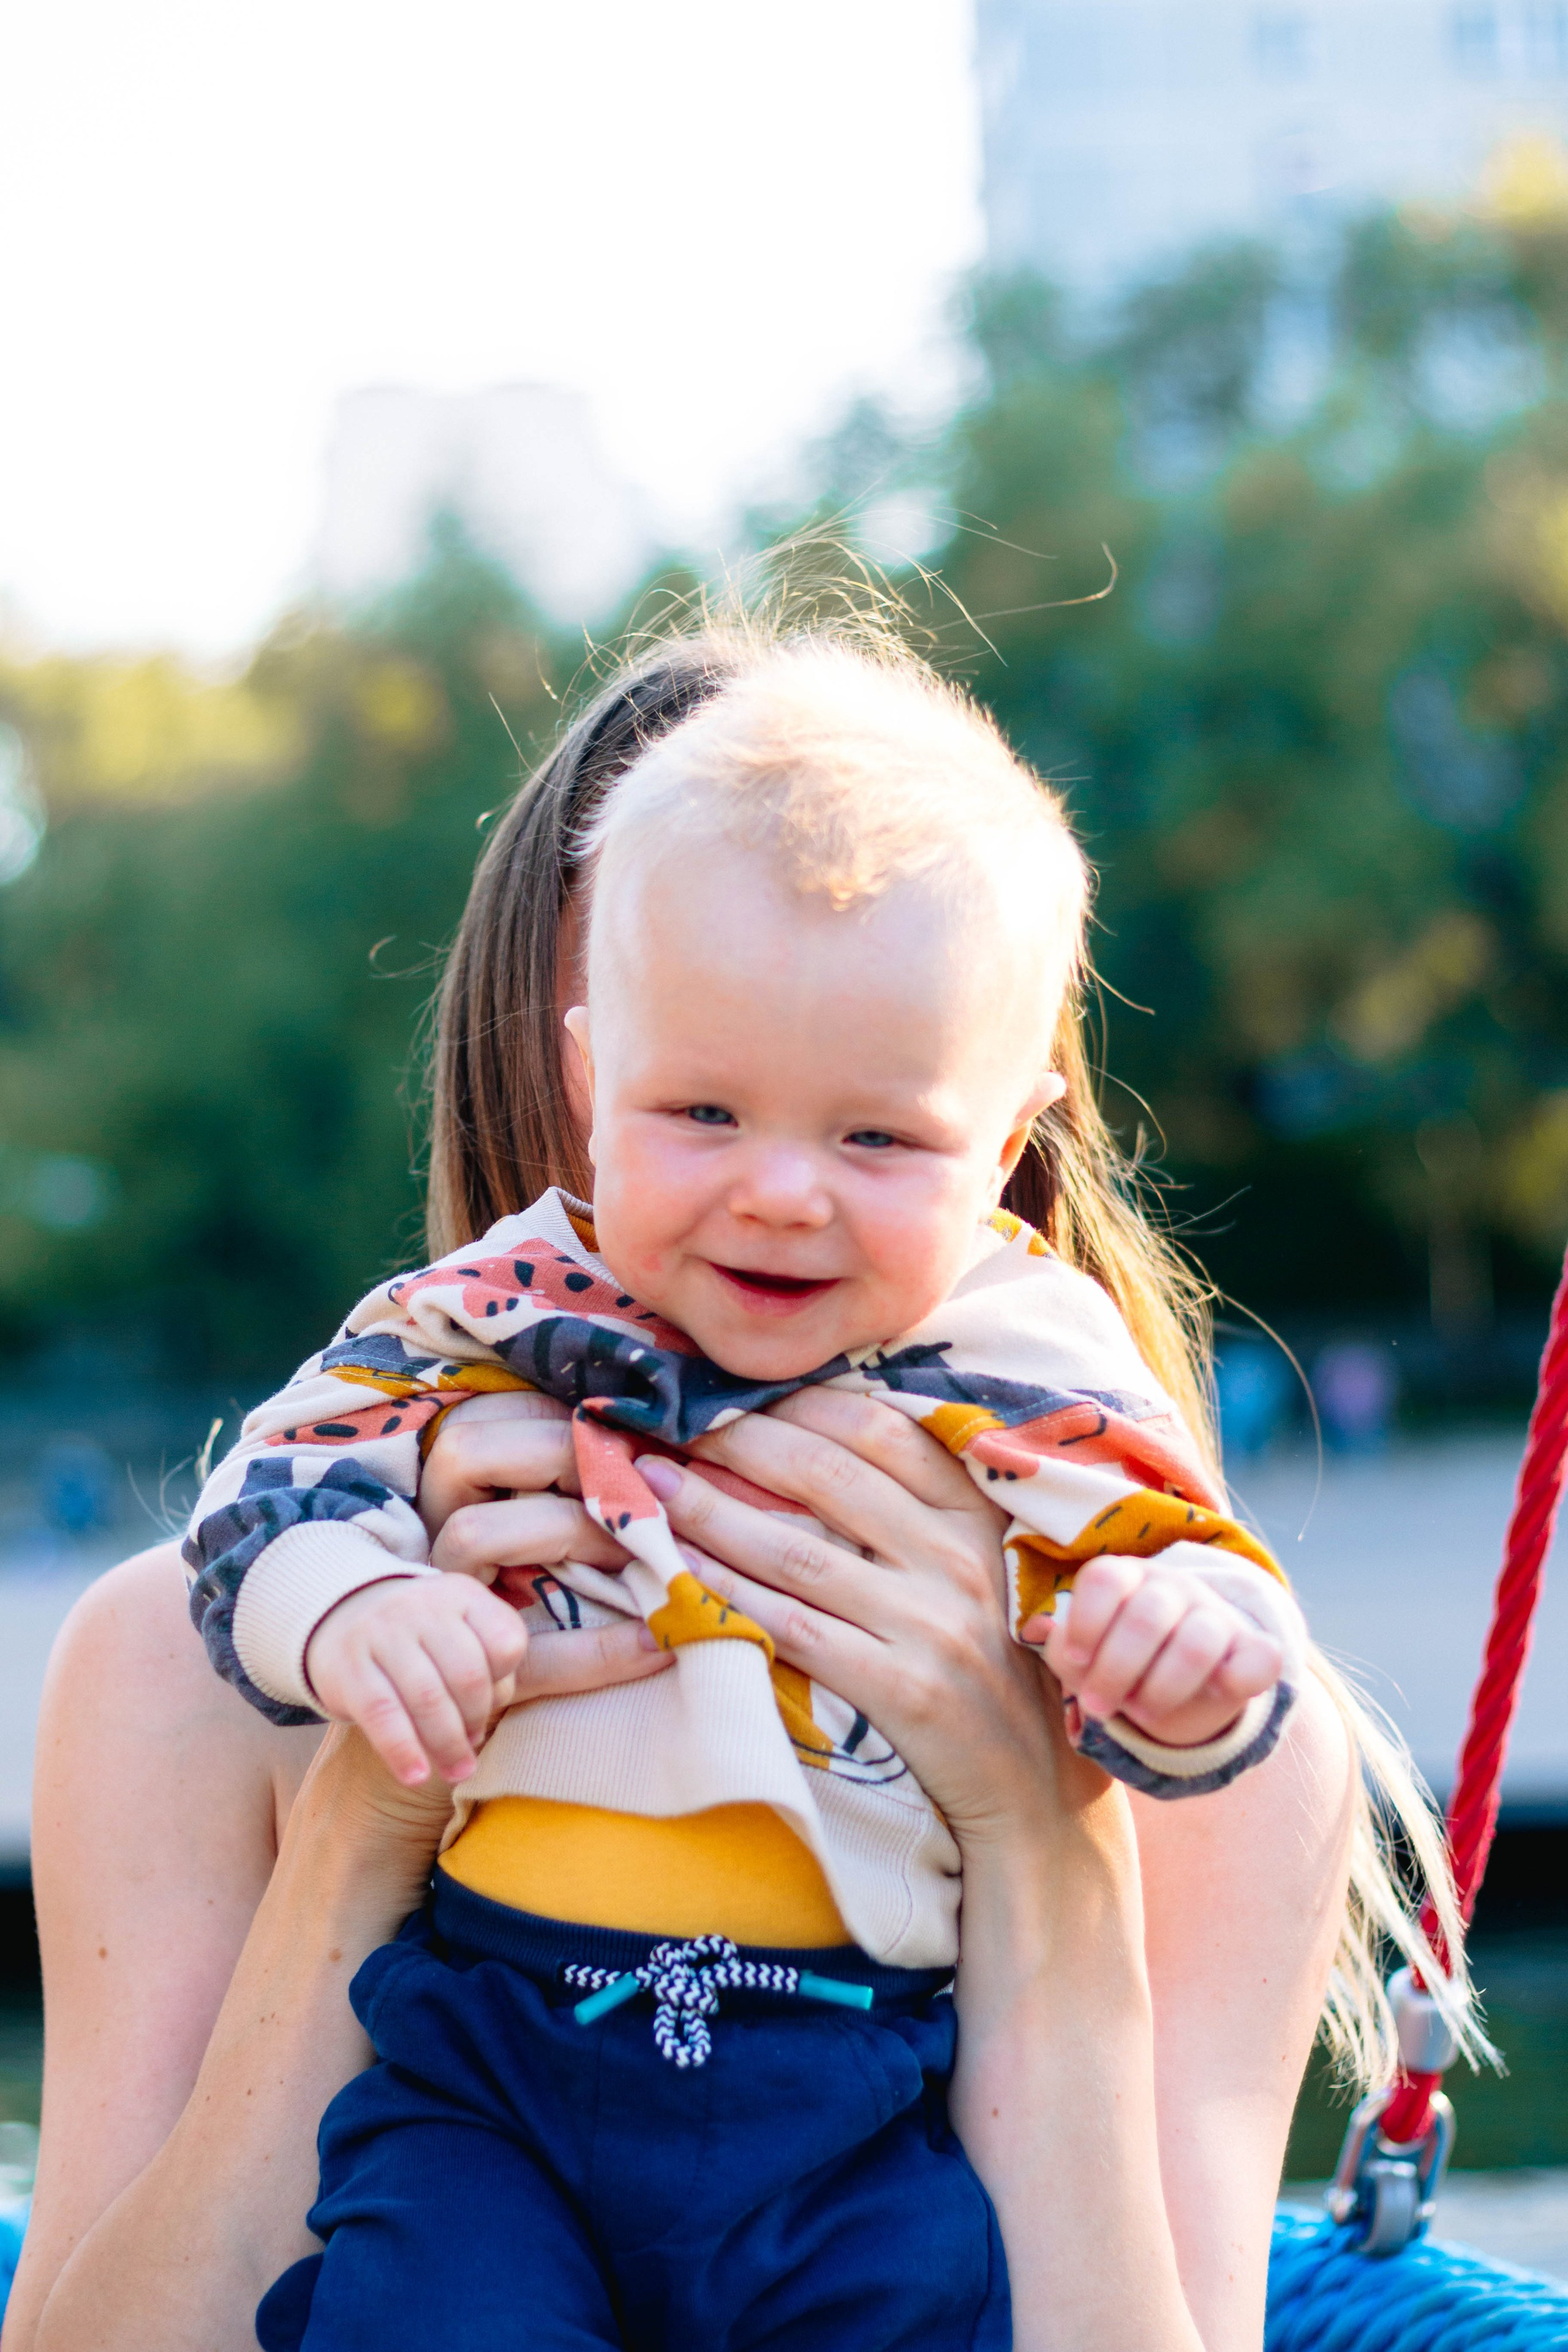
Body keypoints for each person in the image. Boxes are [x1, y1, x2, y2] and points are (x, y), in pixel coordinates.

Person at [3, 614, 1466, 2352]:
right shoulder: (188, 1666)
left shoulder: (1183, 1697)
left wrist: (1032, 1834)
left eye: (868, 1123)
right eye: (697, 1102)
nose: (775, 1196)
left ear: (994, 1143)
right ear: (563, 1086)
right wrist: (367, 1820)